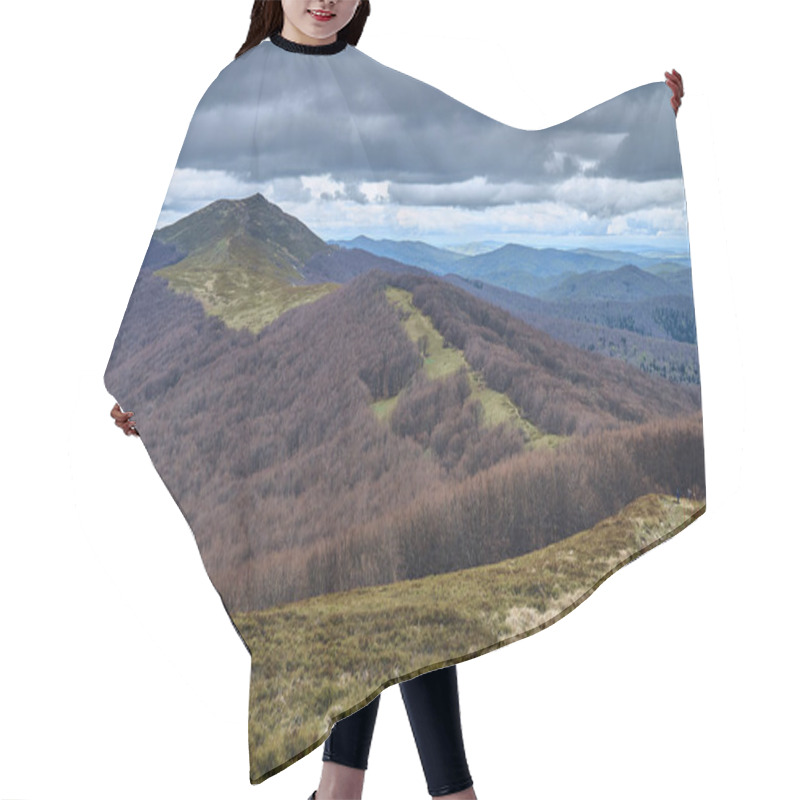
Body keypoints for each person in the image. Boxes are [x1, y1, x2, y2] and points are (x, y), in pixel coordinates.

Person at [110, 2, 685, 798]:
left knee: (396, 579)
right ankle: (423, 792)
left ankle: (355, 790)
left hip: (368, 385)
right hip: (282, 399)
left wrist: (640, 129)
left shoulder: (375, 88)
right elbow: (187, 249)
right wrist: (148, 382)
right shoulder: (234, 93)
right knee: (363, 593)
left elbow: (497, 157)